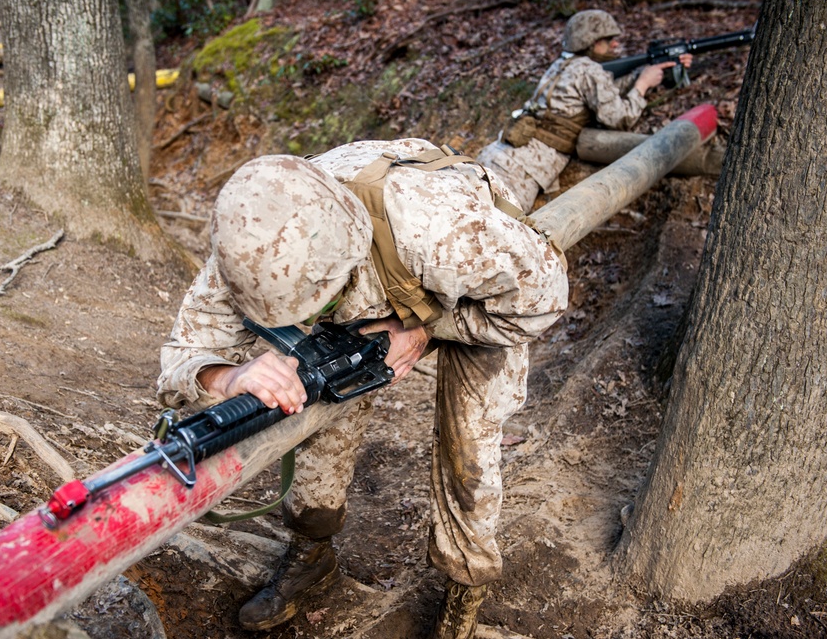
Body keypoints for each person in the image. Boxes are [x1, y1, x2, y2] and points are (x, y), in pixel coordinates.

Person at [157, 138, 570, 638]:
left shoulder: (446, 236)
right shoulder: (255, 241)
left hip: (474, 293)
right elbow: (184, 352)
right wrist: (227, 376)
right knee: (320, 395)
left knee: (469, 446)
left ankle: (464, 593)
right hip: (377, 278)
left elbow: (544, 298)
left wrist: (423, 324)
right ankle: (311, 554)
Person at [476, 9, 694, 213]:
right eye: (608, 40)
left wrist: (653, 73)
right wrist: (642, 85)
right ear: (594, 43)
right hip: (521, 170)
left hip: (497, 154)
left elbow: (601, 92)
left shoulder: (563, 64)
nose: (614, 44)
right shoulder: (590, 70)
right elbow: (620, 117)